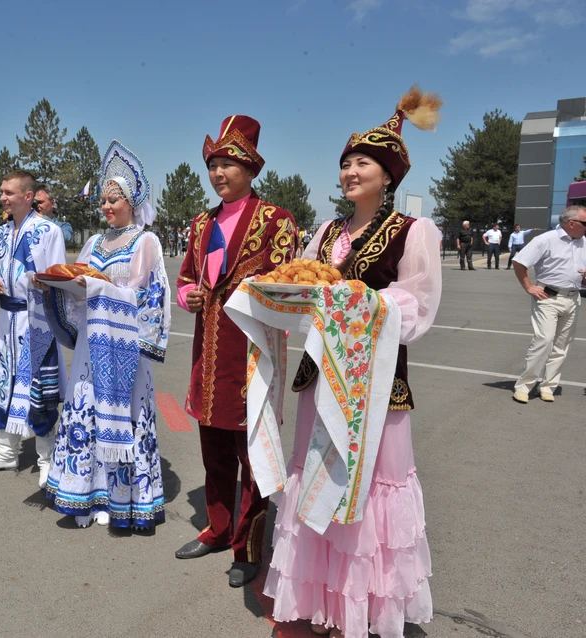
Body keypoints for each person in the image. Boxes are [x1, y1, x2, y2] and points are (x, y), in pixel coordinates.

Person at [263, 86, 443, 638]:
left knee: (366, 485)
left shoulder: (414, 232)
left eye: (362, 162)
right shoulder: (323, 234)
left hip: (375, 383)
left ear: (389, 175)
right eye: (344, 163)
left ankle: (366, 607)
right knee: (317, 477)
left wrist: (361, 302)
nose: (350, 171)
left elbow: (419, 305)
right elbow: (301, 291)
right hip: (321, 376)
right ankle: (321, 602)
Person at [174, 115, 298, 588]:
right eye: (213, 166)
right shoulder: (200, 224)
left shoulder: (276, 221)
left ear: (249, 169)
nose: (218, 174)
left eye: (228, 164)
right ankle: (218, 527)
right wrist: (189, 296)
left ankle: (247, 546)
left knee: (254, 454)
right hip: (207, 354)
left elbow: (287, 288)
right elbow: (187, 279)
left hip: (250, 354)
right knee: (214, 451)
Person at [42, 140, 169, 529]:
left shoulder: (146, 241)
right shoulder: (94, 243)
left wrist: (102, 290)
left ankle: (124, 498)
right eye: (103, 200)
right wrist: (57, 285)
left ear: (132, 202)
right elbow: (77, 285)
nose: (108, 207)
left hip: (126, 346)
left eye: (115, 200)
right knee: (87, 409)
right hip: (91, 345)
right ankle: (87, 493)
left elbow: (153, 295)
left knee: (125, 414)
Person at [0, 170, 66, 485]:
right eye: (2, 192)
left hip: (37, 322)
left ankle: (47, 458)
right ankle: (6, 451)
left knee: (39, 389)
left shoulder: (49, 231)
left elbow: (59, 279)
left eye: (8, 192)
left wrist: (42, 282)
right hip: (6, 322)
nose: (2, 197)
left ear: (28, 196)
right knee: (5, 382)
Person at [510, 205, 586, 404]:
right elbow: (519, 262)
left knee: (562, 346)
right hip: (548, 297)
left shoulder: (583, 242)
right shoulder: (545, 240)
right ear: (572, 223)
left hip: (573, 298)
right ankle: (524, 386)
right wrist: (528, 287)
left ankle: (548, 386)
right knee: (544, 340)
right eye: (585, 223)